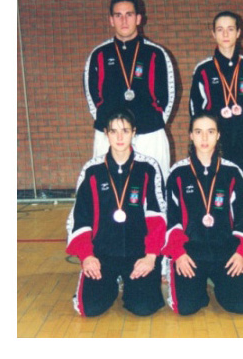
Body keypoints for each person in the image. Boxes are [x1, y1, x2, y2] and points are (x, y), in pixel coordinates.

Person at [188, 11, 243, 278]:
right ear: (213, 34)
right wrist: (205, 144)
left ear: (238, 32)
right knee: (213, 199)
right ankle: (215, 251)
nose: (225, 34)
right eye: (220, 29)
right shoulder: (203, 70)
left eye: (230, 29)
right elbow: (195, 112)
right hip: (216, 148)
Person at [66, 108, 167, 317]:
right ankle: (111, 283)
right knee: (89, 309)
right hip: (102, 255)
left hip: (139, 254)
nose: (120, 137)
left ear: (134, 132)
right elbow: (80, 217)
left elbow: (158, 216)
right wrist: (87, 256)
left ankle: (130, 283)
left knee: (144, 307)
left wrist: (150, 256)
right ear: (106, 133)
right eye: (113, 131)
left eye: (125, 131)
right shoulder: (92, 170)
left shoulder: (148, 168)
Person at [162, 112, 243, 315]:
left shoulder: (233, 173)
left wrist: (241, 253)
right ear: (191, 136)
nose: (204, 138)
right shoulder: (178, 174)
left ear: (218, 135)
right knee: (186, 307)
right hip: (190, 253)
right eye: (198, 132)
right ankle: (200, 283)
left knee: (242, 305)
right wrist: (179, 254)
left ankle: (218, 281)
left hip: (226, 252)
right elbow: (171, 219)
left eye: (210, 132)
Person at [84, 0, 175, 179]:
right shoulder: (99, 54)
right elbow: (91, 96)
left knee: (155, 186)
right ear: (111, 20)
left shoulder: (156, 53)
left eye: (129, 14)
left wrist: (154, 122)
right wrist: (109, 126)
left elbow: (168, 95)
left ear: (138, 19)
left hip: (149, 134)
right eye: (118, 15)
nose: (124, 20)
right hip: (109, 136)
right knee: (109, 188)